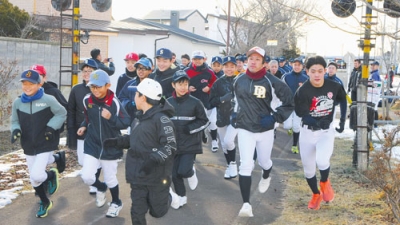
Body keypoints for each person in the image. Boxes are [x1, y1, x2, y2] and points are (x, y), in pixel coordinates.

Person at [103, 78, 179, 224]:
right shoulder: (138, 117)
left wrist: (153, 159)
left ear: (143, 97)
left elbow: (170, 146)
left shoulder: (162, 119)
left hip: (157, 175)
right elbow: (137, 139)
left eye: (136, 94)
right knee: (137, 211)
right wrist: (118, 142)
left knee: (157, 212)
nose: (134, 97)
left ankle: (169, 195)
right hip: (138, 174)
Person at [233, 47, 294, 217]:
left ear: (264, 63)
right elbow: (236, 100)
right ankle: (246, 204)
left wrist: (275, 117)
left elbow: (289, 102)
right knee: (245, 164)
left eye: (257, 59)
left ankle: (267, 173)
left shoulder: (273, 82)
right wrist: (233, 114)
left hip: (265, 129)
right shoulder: (239, 80)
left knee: (264, 161)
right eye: (250, 58)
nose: (253, 61)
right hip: (245, 128)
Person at [11, 69, 67, 218]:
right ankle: (45, 200)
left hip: (45, 142)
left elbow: (62, 113)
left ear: (38, 84)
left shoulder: (48, 99)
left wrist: (51, 128)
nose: (27, 87)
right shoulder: (17, 102)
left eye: (31, 83)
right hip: (28, 144)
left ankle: (49, 174)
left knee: (36, 174)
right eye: (24, 83)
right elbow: (14, 121)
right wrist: (15, 130)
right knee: (33, 178)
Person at [294, 56, 347, 210]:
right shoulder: (303, 90)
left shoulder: (334, 86)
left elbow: (343, 100)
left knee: (322, 161)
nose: (317, 75)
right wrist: (313, 118)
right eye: (313, 71)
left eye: (320, 71)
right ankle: (316, 194)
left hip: (325, 132)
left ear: (325, 71)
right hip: (307, 132)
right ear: (307, 72)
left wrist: (342, 121)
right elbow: (300, 113)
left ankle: (324, 182)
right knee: (309, 168)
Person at [77, 69, 130, 218]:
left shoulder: (114, 102)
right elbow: (88, 118)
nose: (95, 90)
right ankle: (101, 188)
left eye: (99, 87)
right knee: (87, 176)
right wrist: (83, 126)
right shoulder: (87, 100)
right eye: (92, 87)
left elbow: (126, 121)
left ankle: (116, 202)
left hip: (110, 145)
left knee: (110, 178)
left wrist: (111, 118)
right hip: (92, 144)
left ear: (108, 85)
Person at [167, 70, 209, 208]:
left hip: (191, 144)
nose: (183, 87)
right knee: (174, 174)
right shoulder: (167, 102)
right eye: (180, 84)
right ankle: (181, 196)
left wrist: (190, 128)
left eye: (185, 83)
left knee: (183, 171)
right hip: (173, 145)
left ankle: (191, 172)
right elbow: (162, 121)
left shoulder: (195, 102)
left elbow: (205, 121)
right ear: (173, 85)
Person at [67, 59, 100, 195]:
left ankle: (94, 183)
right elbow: (71, 110)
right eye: (84, 71)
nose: (86, 74)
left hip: (96, 130)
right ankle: (91, 175)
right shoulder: (76, 89)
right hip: (80, 130)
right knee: (82, 159)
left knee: (93, 158)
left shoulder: (100, 88)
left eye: (90, 71)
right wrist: (70, 129)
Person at [209, 56, 239, 179]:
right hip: (222, 116)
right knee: (224, 143)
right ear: (223, 67)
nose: (229, 69)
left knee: (228, 140)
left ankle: (233, 164)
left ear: (236, 67)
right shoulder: (218, 82)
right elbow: (211, 101)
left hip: (236, 116)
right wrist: (221, 99)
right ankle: (229, 166)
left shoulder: (240, 80)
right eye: (226, 66)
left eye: (232, 66)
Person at [184, 50, 218, 151]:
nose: (197, 61)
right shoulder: (186, 71)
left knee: (211, 121)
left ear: (204, 59)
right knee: (195, 122)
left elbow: (216, 83)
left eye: (200, 59)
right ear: (192, 60)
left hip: (206, 101)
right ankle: (197, 142)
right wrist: (188, 88)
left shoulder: (209, 72)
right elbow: (180, 83)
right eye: (195, 59)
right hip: (191, 101)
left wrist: (209, 87)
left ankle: (214, 140)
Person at [281, 57, 308, 154]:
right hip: (288, 105)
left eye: (299, 65)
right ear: (292, 65)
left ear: (302, 66)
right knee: (287, 126)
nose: (297, 67)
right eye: (295, 64)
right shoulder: (286, 76)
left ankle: (294, 145)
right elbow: (281, 90)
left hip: (298, 106)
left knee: (297, 127)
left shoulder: (305, 78)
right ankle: (290, 128)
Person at [118, 57, 153, 123]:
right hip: (133, 119)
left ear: (150, 70)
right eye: (138, 68)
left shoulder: (155, 85)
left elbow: (162, 99)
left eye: (144, 68)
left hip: (150, 120)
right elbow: (120, 98)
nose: (140, 70)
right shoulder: (130, 84)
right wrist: (131, 103)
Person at [325, 62, 347, 133]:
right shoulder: (321, 79)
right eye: (329, 68)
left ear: (336, 70)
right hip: (319, 107)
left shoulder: (338, 83)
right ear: (327, 69)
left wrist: (342, 120)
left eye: (333, 68)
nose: (331, 70)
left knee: (328, 127)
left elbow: (343, 101)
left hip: (331, 108)